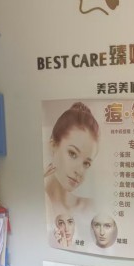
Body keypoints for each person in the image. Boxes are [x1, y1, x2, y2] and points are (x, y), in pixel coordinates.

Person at [44, 102, 99, 239]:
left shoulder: (91, 208)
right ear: (53, 145)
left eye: (86, 163)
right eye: (73, 154)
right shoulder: (35, 201)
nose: (79, 171)